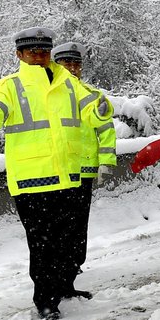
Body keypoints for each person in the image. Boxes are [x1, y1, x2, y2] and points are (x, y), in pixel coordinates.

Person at [0, 27, 113, 320]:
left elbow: (96, 114)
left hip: (70, 176)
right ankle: (46, 301)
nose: (39, 57)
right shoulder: (8, 87)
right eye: (32, 52)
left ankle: (65, 287)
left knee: (69, 240)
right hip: (32, 180)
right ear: (19, 54)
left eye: (44, 52)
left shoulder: (69, 84)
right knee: (43, 244)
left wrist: (101, 107)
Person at [52, 40, 116, 297]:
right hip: (56, 171)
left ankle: (71, 273)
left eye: (76, 63)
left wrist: (107, 162)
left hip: (84, 172)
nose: (72, 67)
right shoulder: (49, 96)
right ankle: (57, 281)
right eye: (66, 62)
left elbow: (106, 131)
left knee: (77, 227)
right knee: (57, 229)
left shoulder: (92, 95)